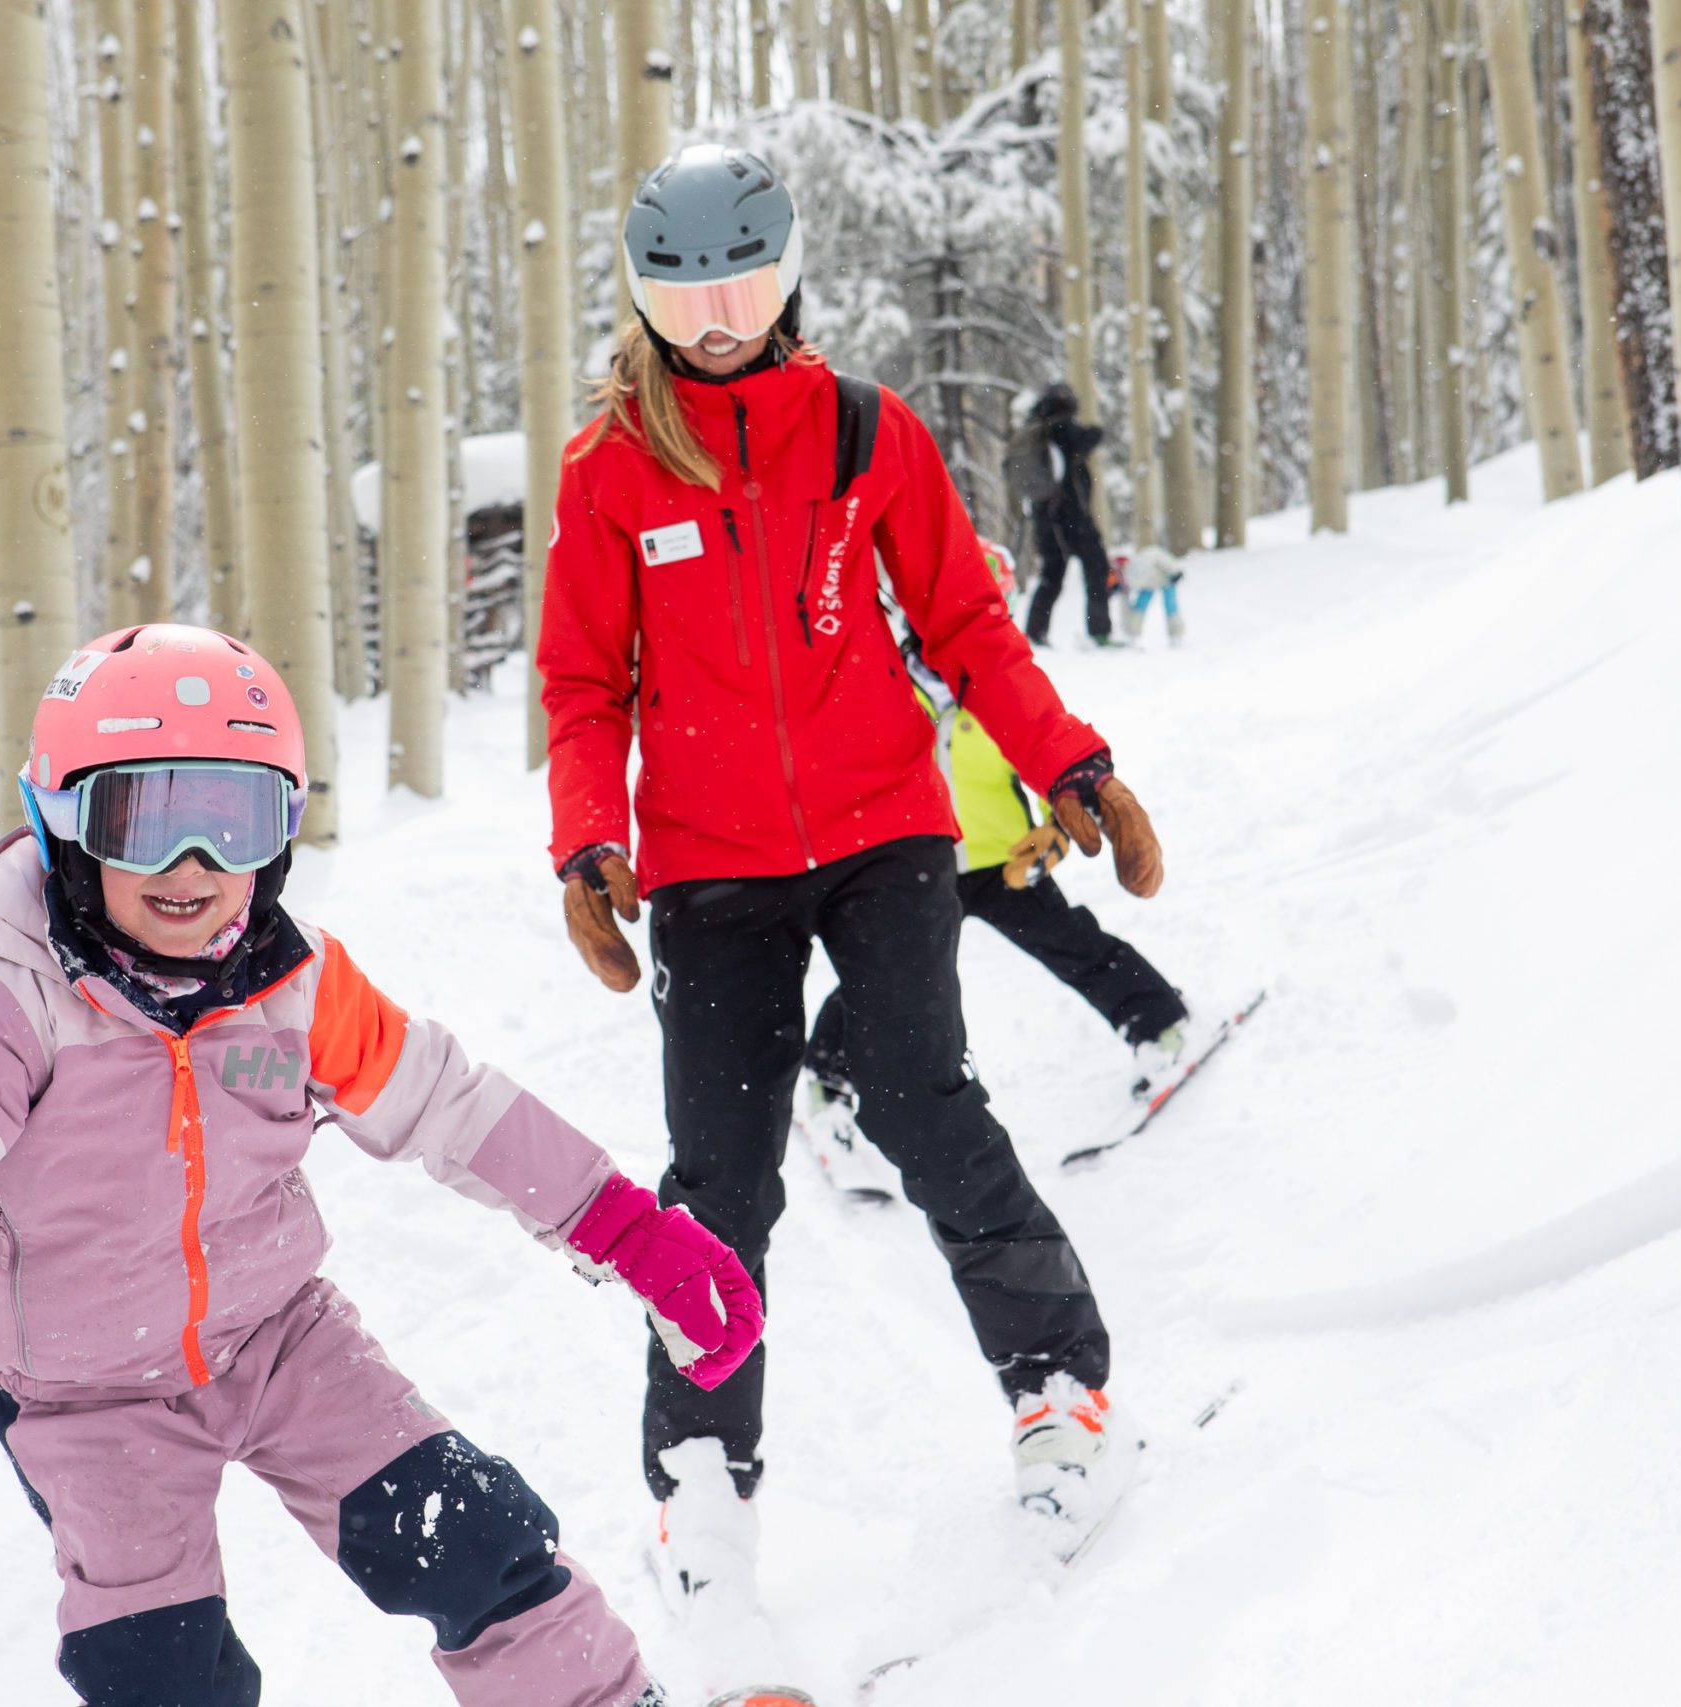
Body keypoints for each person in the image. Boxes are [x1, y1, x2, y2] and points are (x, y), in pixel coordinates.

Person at [0, 624, 761, 1707]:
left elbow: (452, 1105)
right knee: (158, 1671)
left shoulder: (291, 988)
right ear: (66, 825)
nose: (196, 871)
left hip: (282, 1344)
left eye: (233, 822)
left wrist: (628, 1229)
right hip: (87, 1403)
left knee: (474, 1541)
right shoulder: (12, 1004)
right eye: (145, 822)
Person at [536, 144, 1170, 1608]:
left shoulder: (863, 433)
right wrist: (586, 839)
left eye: (745, 285)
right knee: (719, 1176)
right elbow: (584, 682)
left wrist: (1071, 762)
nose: (716, 320)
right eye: (685, 293)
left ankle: (1062, 1387)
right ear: (643, 297)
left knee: (918, 1098)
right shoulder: (614, 468)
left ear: (791, 276)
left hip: (887, 831)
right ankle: (700, 1475)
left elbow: (966, 621)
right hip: (708, 868)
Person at [798, 538, 1191, 1202]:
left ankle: (1161, 1024)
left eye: (995, 602)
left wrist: (1051, 837)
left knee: (1075, 944)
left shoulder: (998, 683)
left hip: (1004, 861)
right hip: (917, 866)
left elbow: (1044, 756)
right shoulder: (886, 679)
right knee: (883, 981)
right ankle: (827, 1086)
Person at [1002, 382, 1120, 647]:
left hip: (1045, 517)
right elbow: (1091, 437)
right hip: (1071, 515)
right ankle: (1099, 632)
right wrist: (1098, 430)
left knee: (1051, 575)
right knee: (1096, 567)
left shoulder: (1039, 430)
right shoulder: (1061, 427)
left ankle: (1035, 632)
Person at [1121, 543, 1186, 645]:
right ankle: (1133, 634)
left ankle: (1133, 632)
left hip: (1157, 580)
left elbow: (1163, 561)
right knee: (1168, 605)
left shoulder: (1147, 555)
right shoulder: (1160, 557)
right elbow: (1168, 565)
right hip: (1153, 582)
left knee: (1146, 605)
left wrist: (1174, 572)